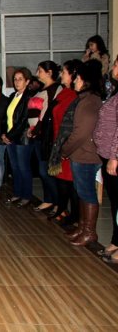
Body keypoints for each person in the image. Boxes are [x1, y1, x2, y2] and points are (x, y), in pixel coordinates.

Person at [61, 60, 103, 247]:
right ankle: (83, 227)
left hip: (86, 155)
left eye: (77, 78)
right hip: (80, 154)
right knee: (81, 191)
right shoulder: (85, 99)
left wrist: (65, 149)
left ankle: (89, 232)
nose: (75, 81)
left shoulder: (89, 101)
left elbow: (81, 133)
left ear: (85, 81)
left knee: (87, 193)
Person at [47, 60, 82, 227]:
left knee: (70, 181)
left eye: (64, 72)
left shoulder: (76, 95)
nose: (61, 75)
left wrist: (66, 144)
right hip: (58, 141)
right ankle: (62, 209)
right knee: (61, 180)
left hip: (69, 144)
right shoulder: (63, 93)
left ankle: (75, 216)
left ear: (73, 74)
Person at [95, 55, 118, 263]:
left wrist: (114, 157)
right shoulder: (115, 91)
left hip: (114, 156)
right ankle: (115, 240)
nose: (113, 68)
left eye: (117, 65)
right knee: (115, 203)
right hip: (106, 153)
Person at [31, 61, 62, 215]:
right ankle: (48, 199)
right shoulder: (42, 89)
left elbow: (48, 113)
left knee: (46, 171)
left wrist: (36, 129)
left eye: (40, 70)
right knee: (42, 170)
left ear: (49, 73)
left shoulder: (56, 89)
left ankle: (58, 203)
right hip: (37, 135)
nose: (38, 73)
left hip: (46, 135)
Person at [1, 68, 33, 207]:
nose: (17, 82)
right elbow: (5, 117)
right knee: (14, 167)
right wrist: (4, 133)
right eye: (15, 79)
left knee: (23, 167)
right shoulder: (13, 96)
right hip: (10, 137)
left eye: (20, 79)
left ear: (27, 81)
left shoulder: (28, 97)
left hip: (21, 137)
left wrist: (9, 135)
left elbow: (23, 121)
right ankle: (17, 193)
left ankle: (27, 196)